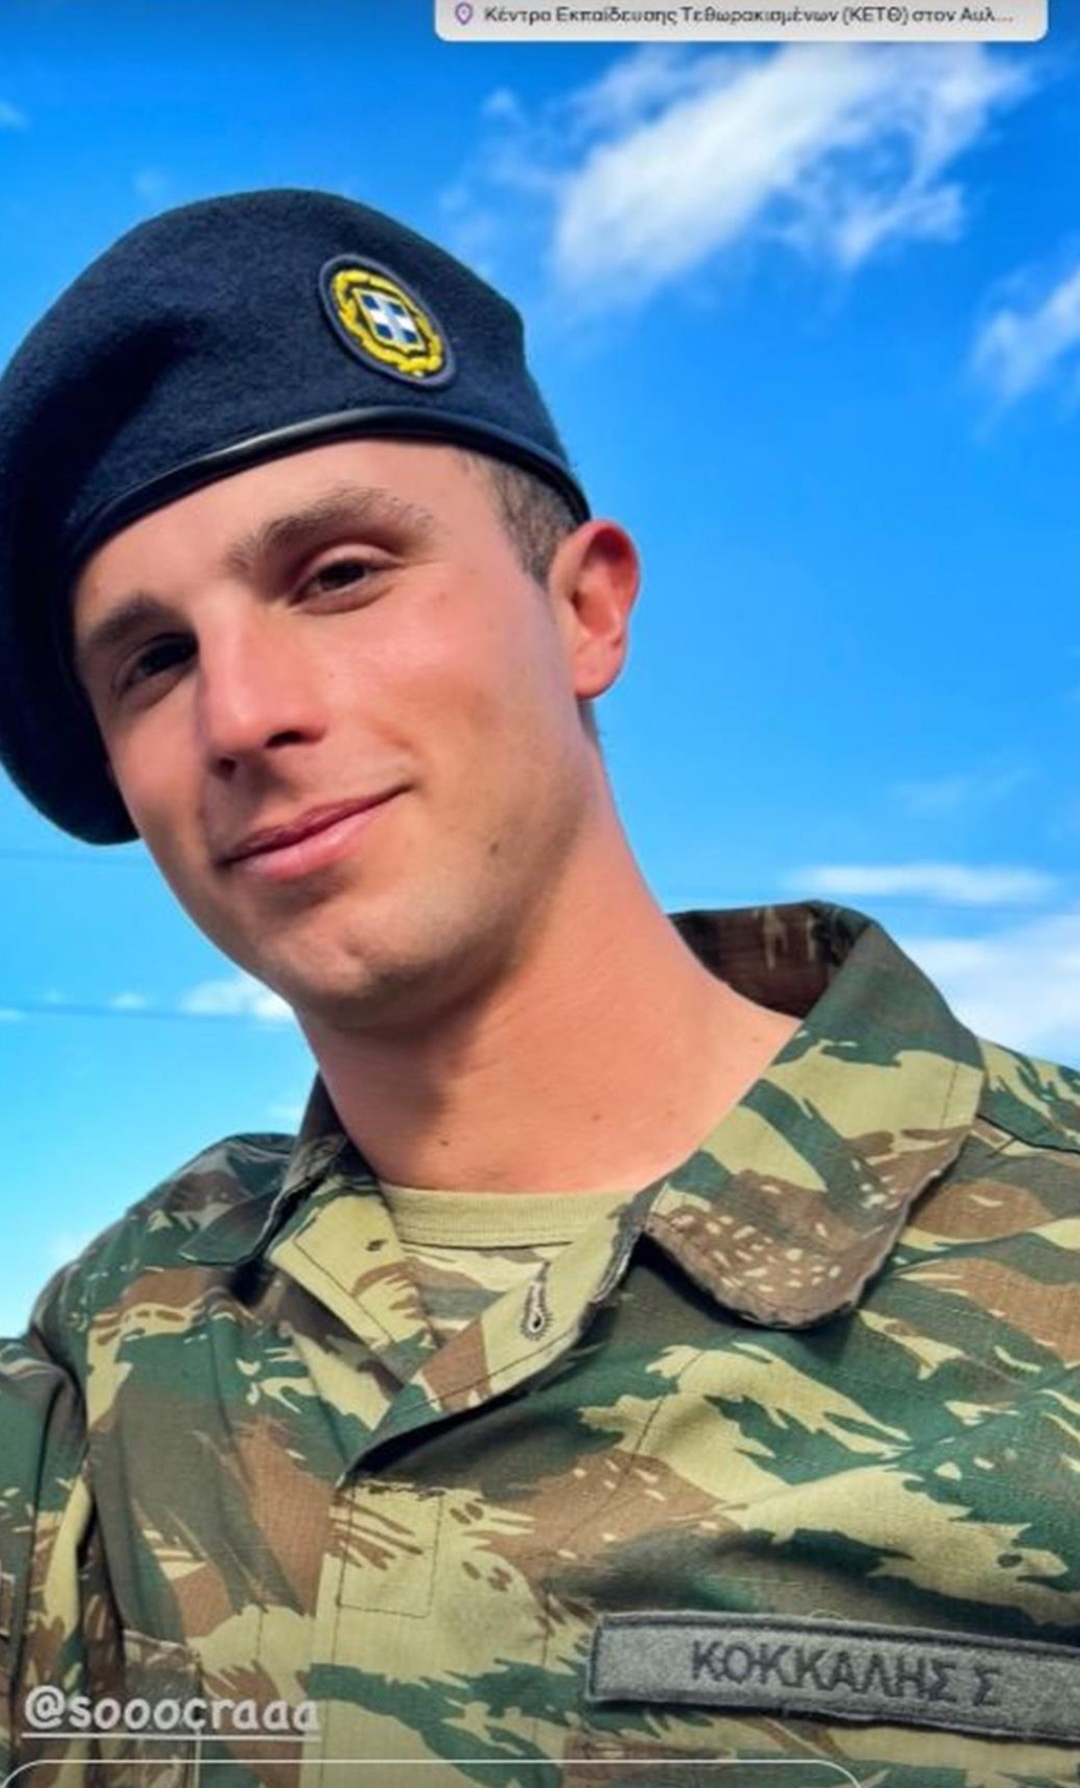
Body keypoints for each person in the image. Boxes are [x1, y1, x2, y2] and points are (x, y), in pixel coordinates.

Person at [0, 189, 1076, 1788]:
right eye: (152, 660)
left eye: (338, 574)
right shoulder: (115, 1349)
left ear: (586, 608)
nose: (241, 715)